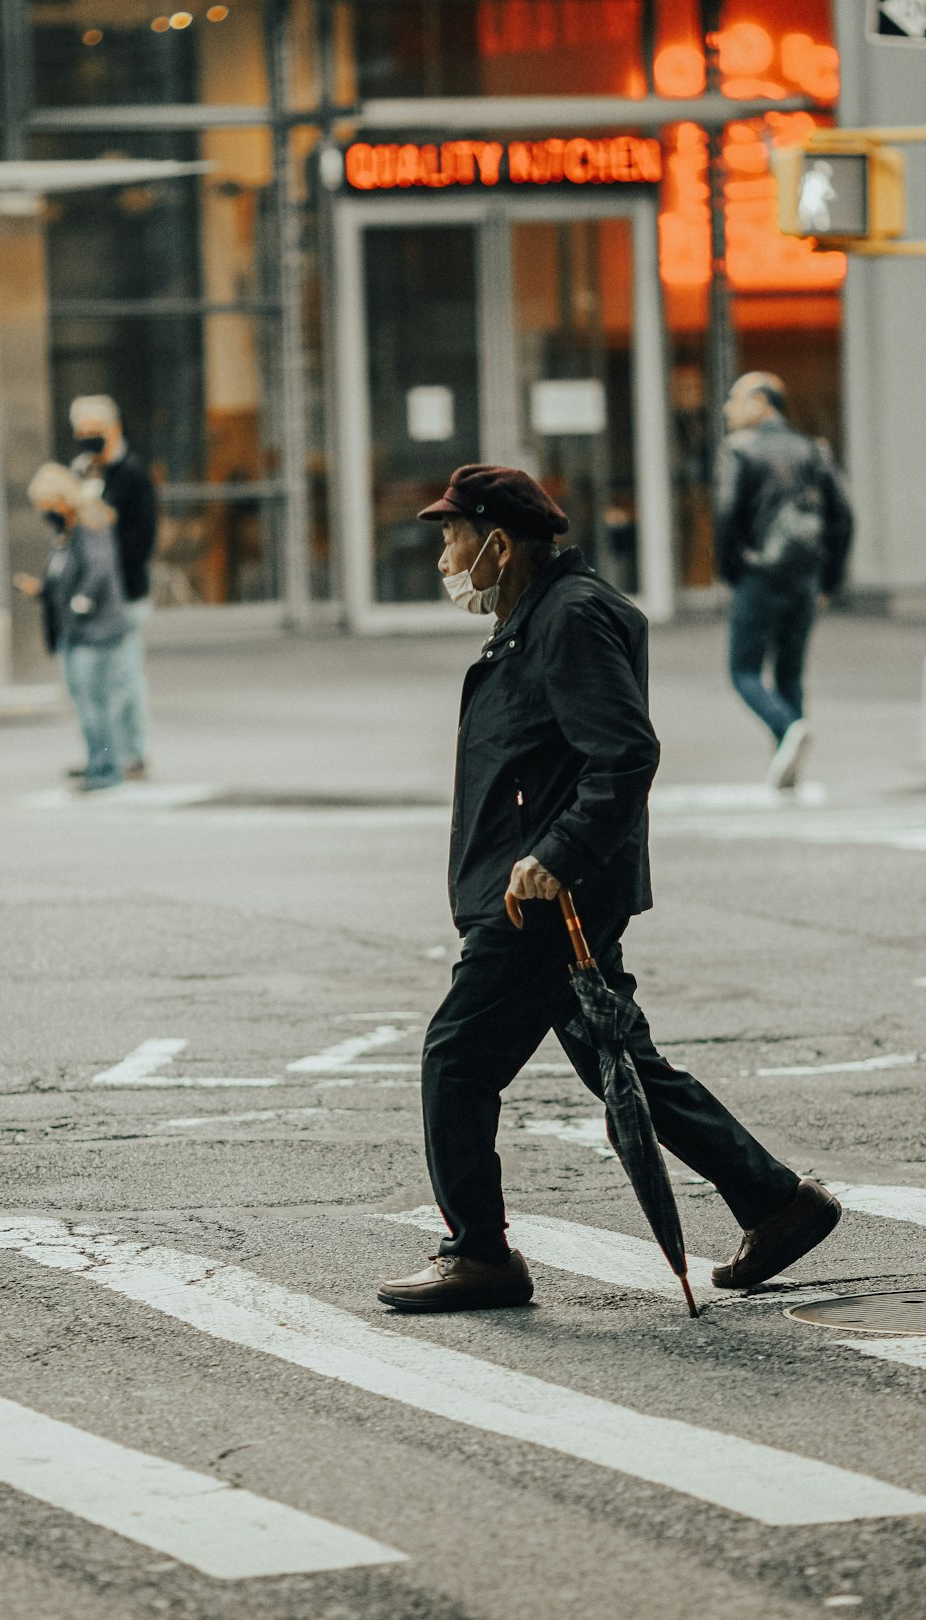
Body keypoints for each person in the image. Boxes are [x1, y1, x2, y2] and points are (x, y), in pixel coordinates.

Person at [377, 463, 842, 1312]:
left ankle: (479, 1253)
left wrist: (556, 853)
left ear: (498, 541)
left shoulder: (570, 618)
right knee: (618, 1060)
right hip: (551, 887)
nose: (443, 553)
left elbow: (625, 753)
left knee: (457, 1060)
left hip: (549, 896)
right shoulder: (534, 615)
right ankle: (777, 1203)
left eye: (451, 534)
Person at [715, 372, 853, 791]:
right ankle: (787, 765)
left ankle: (787, 729)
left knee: (743, 671)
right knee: (789, 674)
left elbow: (726, 515)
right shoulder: (813, 450)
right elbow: (843, 516)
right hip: (805, 579)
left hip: (759, 574)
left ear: (762, 403)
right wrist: (829, 580)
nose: (728, 408)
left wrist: (731, 570)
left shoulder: (740, 451)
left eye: (737, 400)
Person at [15, 464, 128, 793]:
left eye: (48, 504)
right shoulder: (63, 534)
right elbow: (62, 579)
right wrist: (41, 591)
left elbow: (99, 571)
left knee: (96, 704)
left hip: (96, 631)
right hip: (74, 632)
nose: (44, 512)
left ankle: (107, 768)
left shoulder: (90, 525)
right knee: (85, 703)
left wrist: (80, 603)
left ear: (63, 499)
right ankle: (97, 761)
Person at [70, 395, 157, 780]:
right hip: (92, 598)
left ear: (114, 429)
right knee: (93, 689)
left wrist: (111, 575)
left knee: (123, 680)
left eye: (95, 433)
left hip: (124, 596)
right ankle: (103, 756)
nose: (89, 441)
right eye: (82, 434)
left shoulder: (134, 475)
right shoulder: (82, 473)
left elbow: (143, 537)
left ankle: (132, 755)